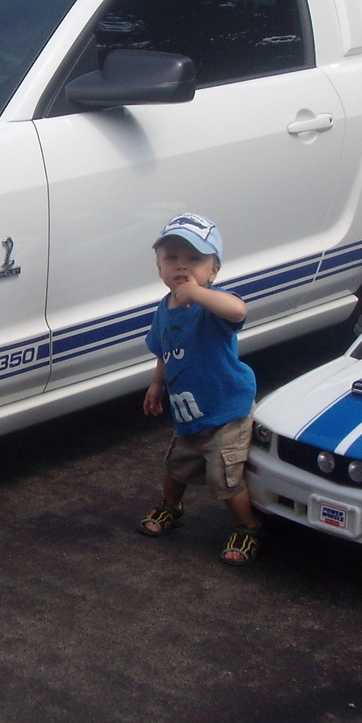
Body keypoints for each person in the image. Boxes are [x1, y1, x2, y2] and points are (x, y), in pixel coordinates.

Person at [136, 213, 264, 565]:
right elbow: (164, 350)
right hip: (190, 415)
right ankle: (171, 507)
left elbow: (238, 310)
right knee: (175, 467)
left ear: (213, 271)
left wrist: (199, 294)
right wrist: (157, 384)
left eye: (194, 259)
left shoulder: (213, 306)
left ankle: (247, 525)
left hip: (225, 411)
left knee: (225, 477)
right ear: (159, 266)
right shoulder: (164, 310)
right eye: (172, 258)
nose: (182, 266)